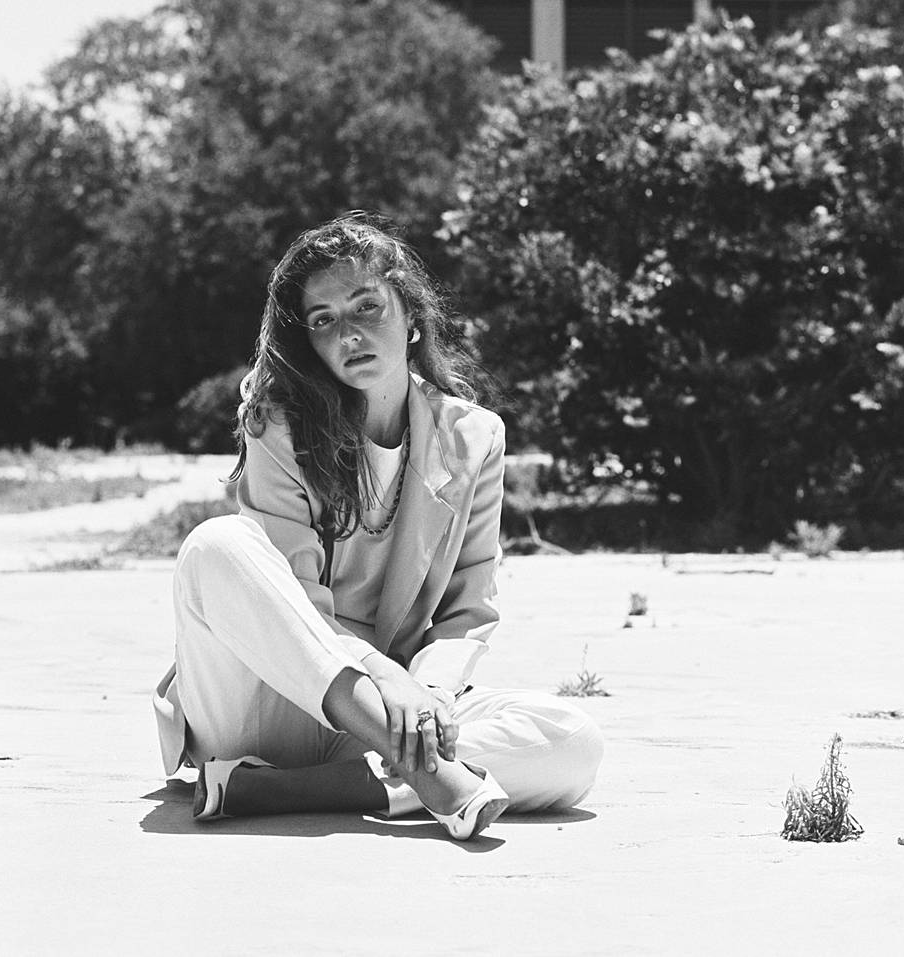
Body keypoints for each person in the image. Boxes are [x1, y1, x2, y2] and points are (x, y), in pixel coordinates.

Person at [152, 213, 603, 841]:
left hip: (392, 709)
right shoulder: (277, 422)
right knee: (215, 545)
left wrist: (430, 698)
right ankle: (422, 775)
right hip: (264, 705)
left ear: (412, 316)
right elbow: (298, 603)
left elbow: (466, 610)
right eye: (324, 320)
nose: (349, 333)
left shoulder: (474, 438)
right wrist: (386, 683)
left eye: (367, 306)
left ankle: (284, 791)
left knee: (573, 740)